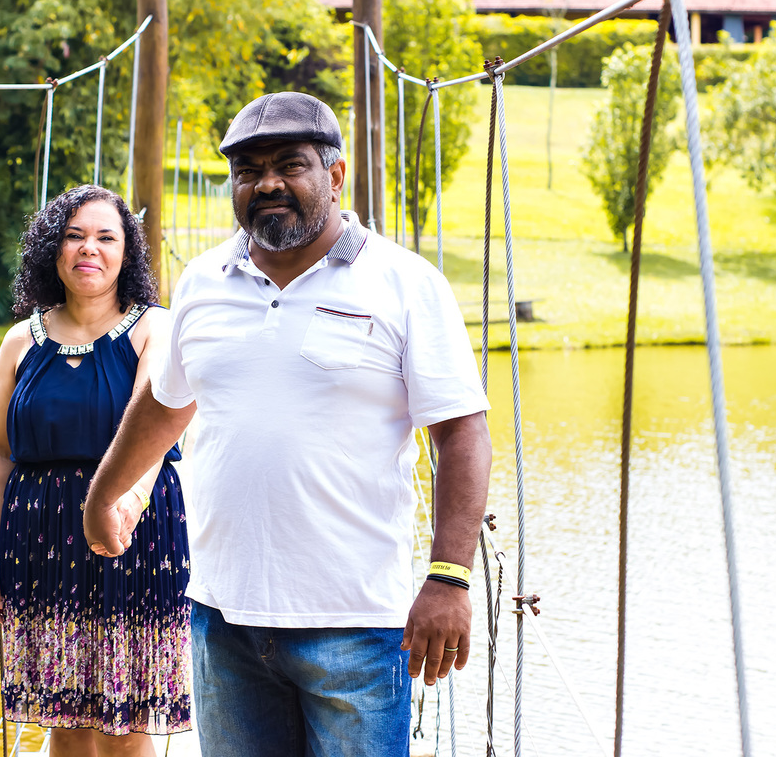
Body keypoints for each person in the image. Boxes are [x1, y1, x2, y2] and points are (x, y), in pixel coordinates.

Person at [84, 92, 492, 756]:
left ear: (334, 176)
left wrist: (449, 576)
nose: (267, 182)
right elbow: (166, 401)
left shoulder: (405, 283)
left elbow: (462, 432)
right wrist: (105, 494)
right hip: (222, 617)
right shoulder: (201, 281)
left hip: (354, 624)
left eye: (289, 164)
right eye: (247, 170)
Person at [0, 185, 191, 757]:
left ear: (128, 253)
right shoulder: (21, 340)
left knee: (126, 723)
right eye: (74, 236)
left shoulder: (155, 329)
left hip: (134, 534)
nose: (88, 249)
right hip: (38, 537)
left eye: (105, 237)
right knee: (63, 719)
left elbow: (158, 434)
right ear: (53, 248)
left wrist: (119, 512)